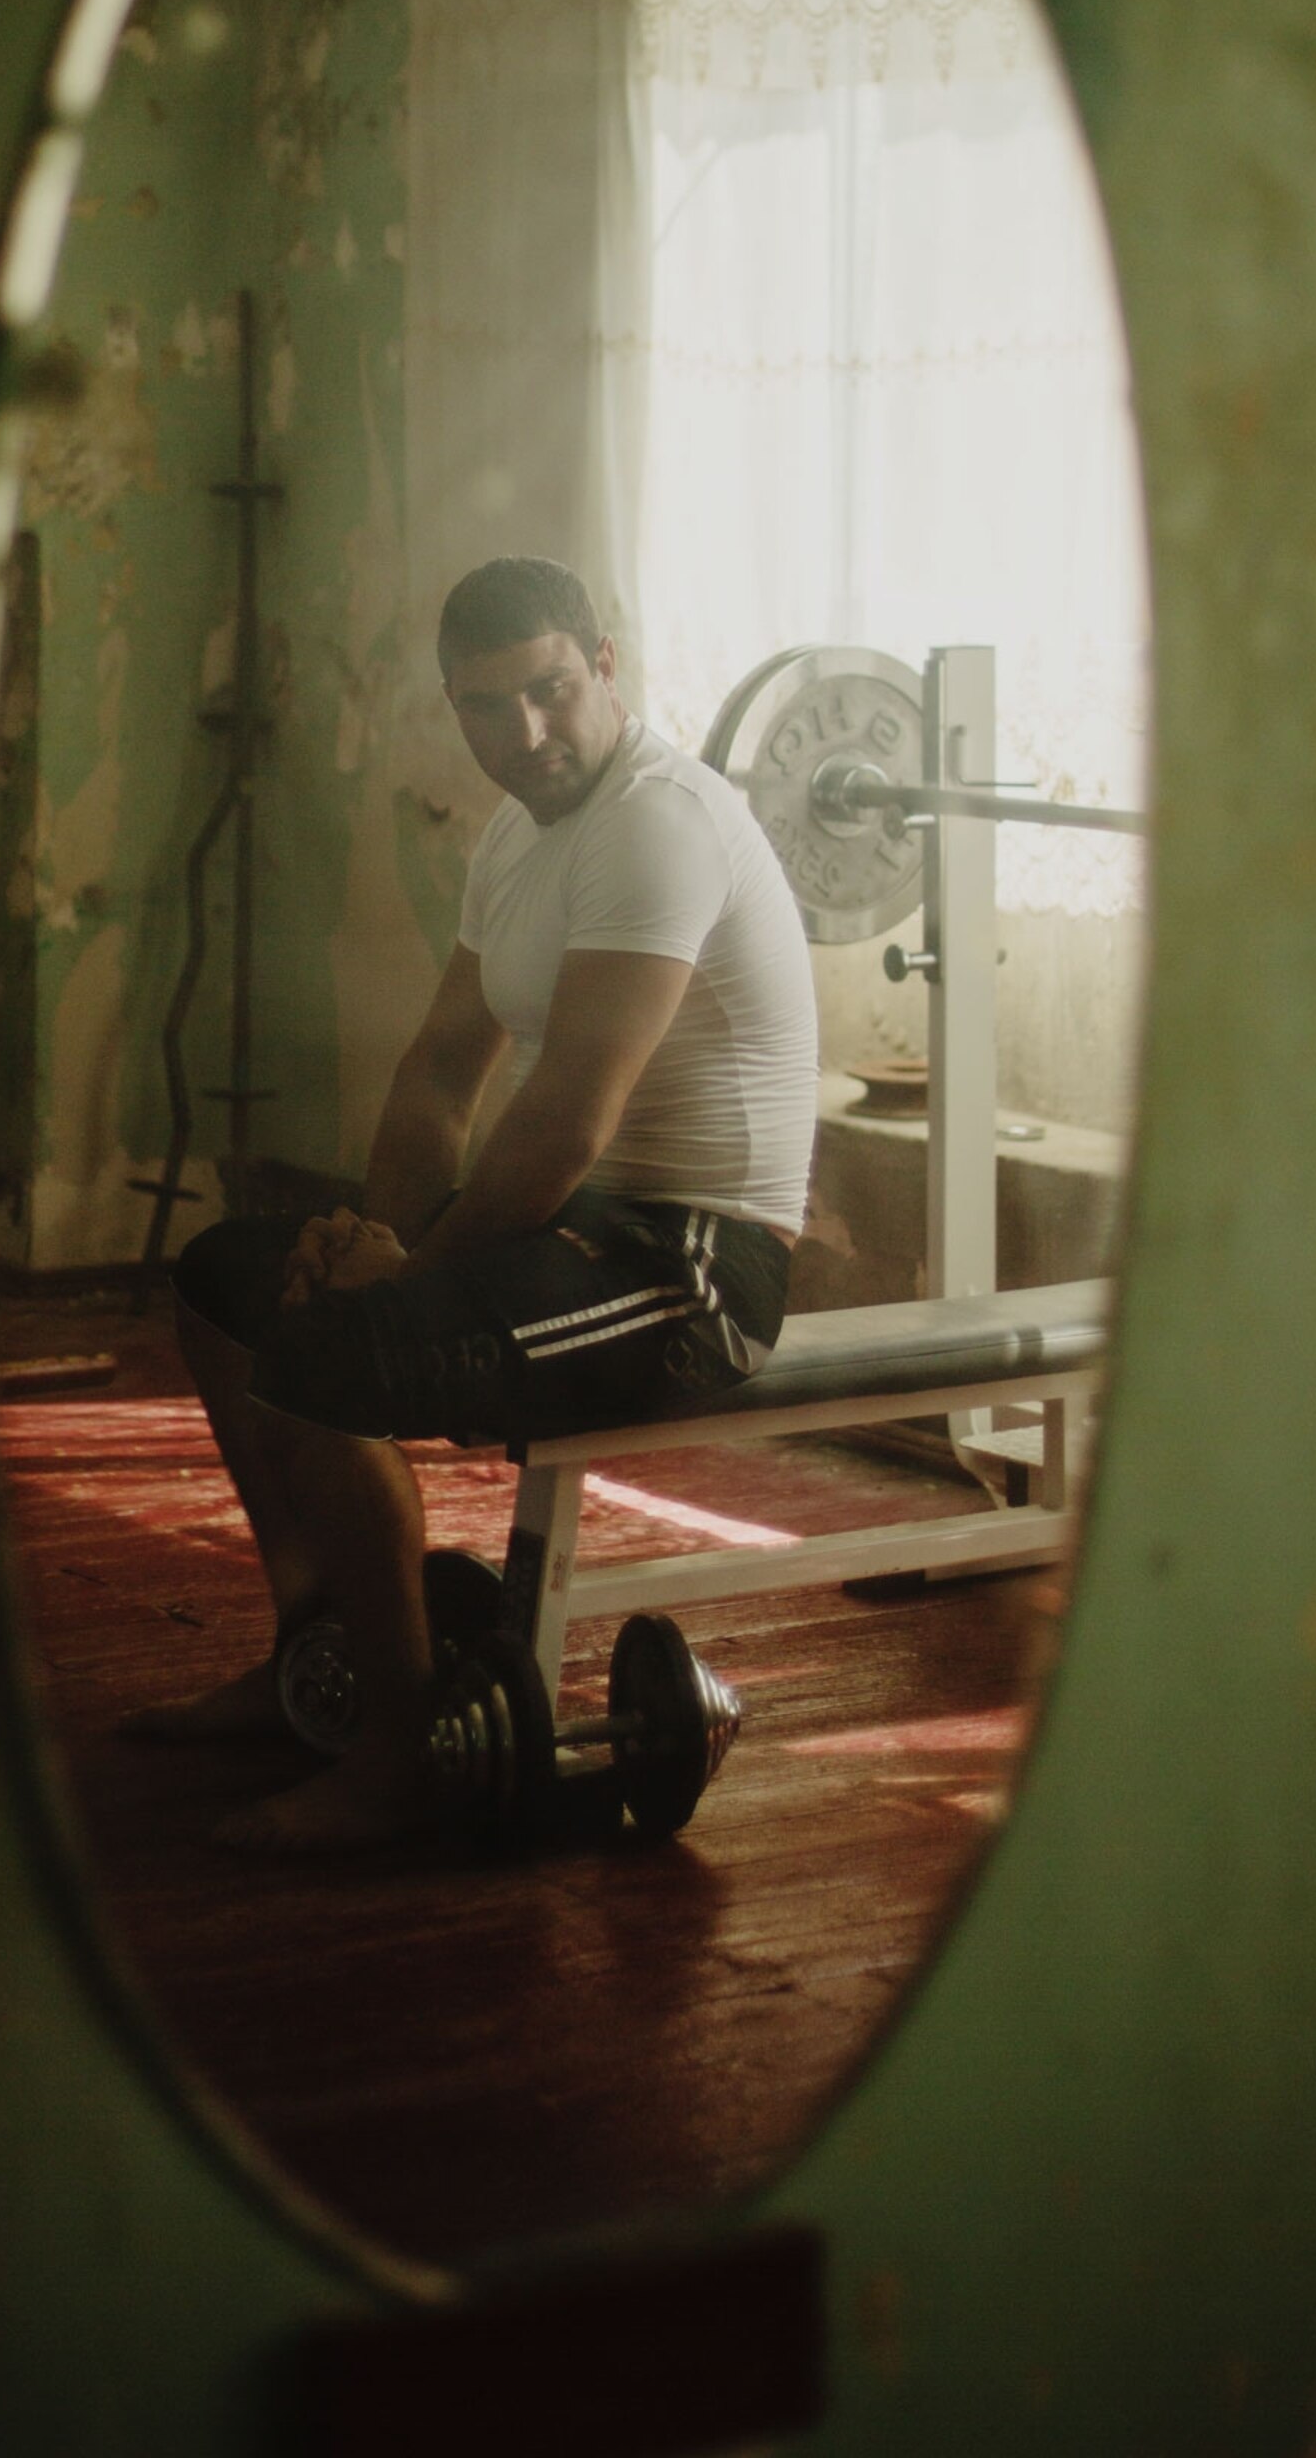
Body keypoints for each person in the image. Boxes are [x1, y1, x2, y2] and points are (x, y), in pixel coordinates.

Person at [145, 554, 819, 1849]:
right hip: (580, 1228)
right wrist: (367, 1231)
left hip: (695, 1264)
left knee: (329, 1359)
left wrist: (399, 1281)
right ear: (450, 707)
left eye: (549, 691)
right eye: (484, 706)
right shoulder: (518, 833)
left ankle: (398, 1767)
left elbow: (565, 1121)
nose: (524, 733)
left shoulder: (654, 821)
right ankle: (320, 1667)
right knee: (228, 1282)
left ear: (604, 665)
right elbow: (440, 1071)